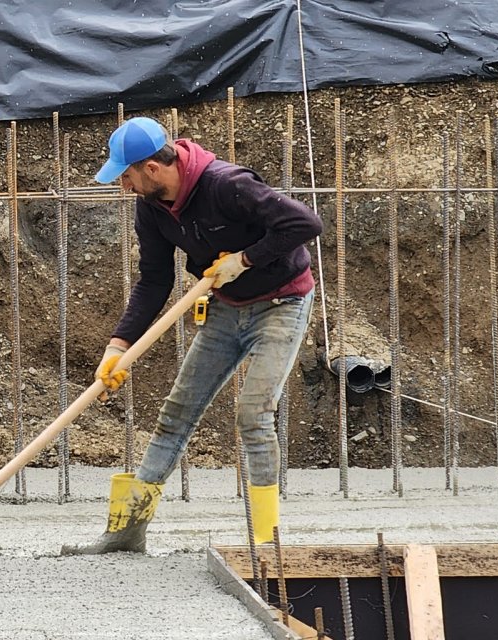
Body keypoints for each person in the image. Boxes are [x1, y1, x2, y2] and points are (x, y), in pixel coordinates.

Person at [63, 117, 322, 554]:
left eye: (125, 175)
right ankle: (126, 534)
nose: (123, 186)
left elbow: (304, 224)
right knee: (175, 413)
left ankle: (266, 543)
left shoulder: (227, 184)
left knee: (253, 414)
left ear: (151, 168)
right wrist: (117, 346)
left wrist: (246, 259)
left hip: (282, 303)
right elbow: (153, 280)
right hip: (226, 308)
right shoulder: (152, 208)